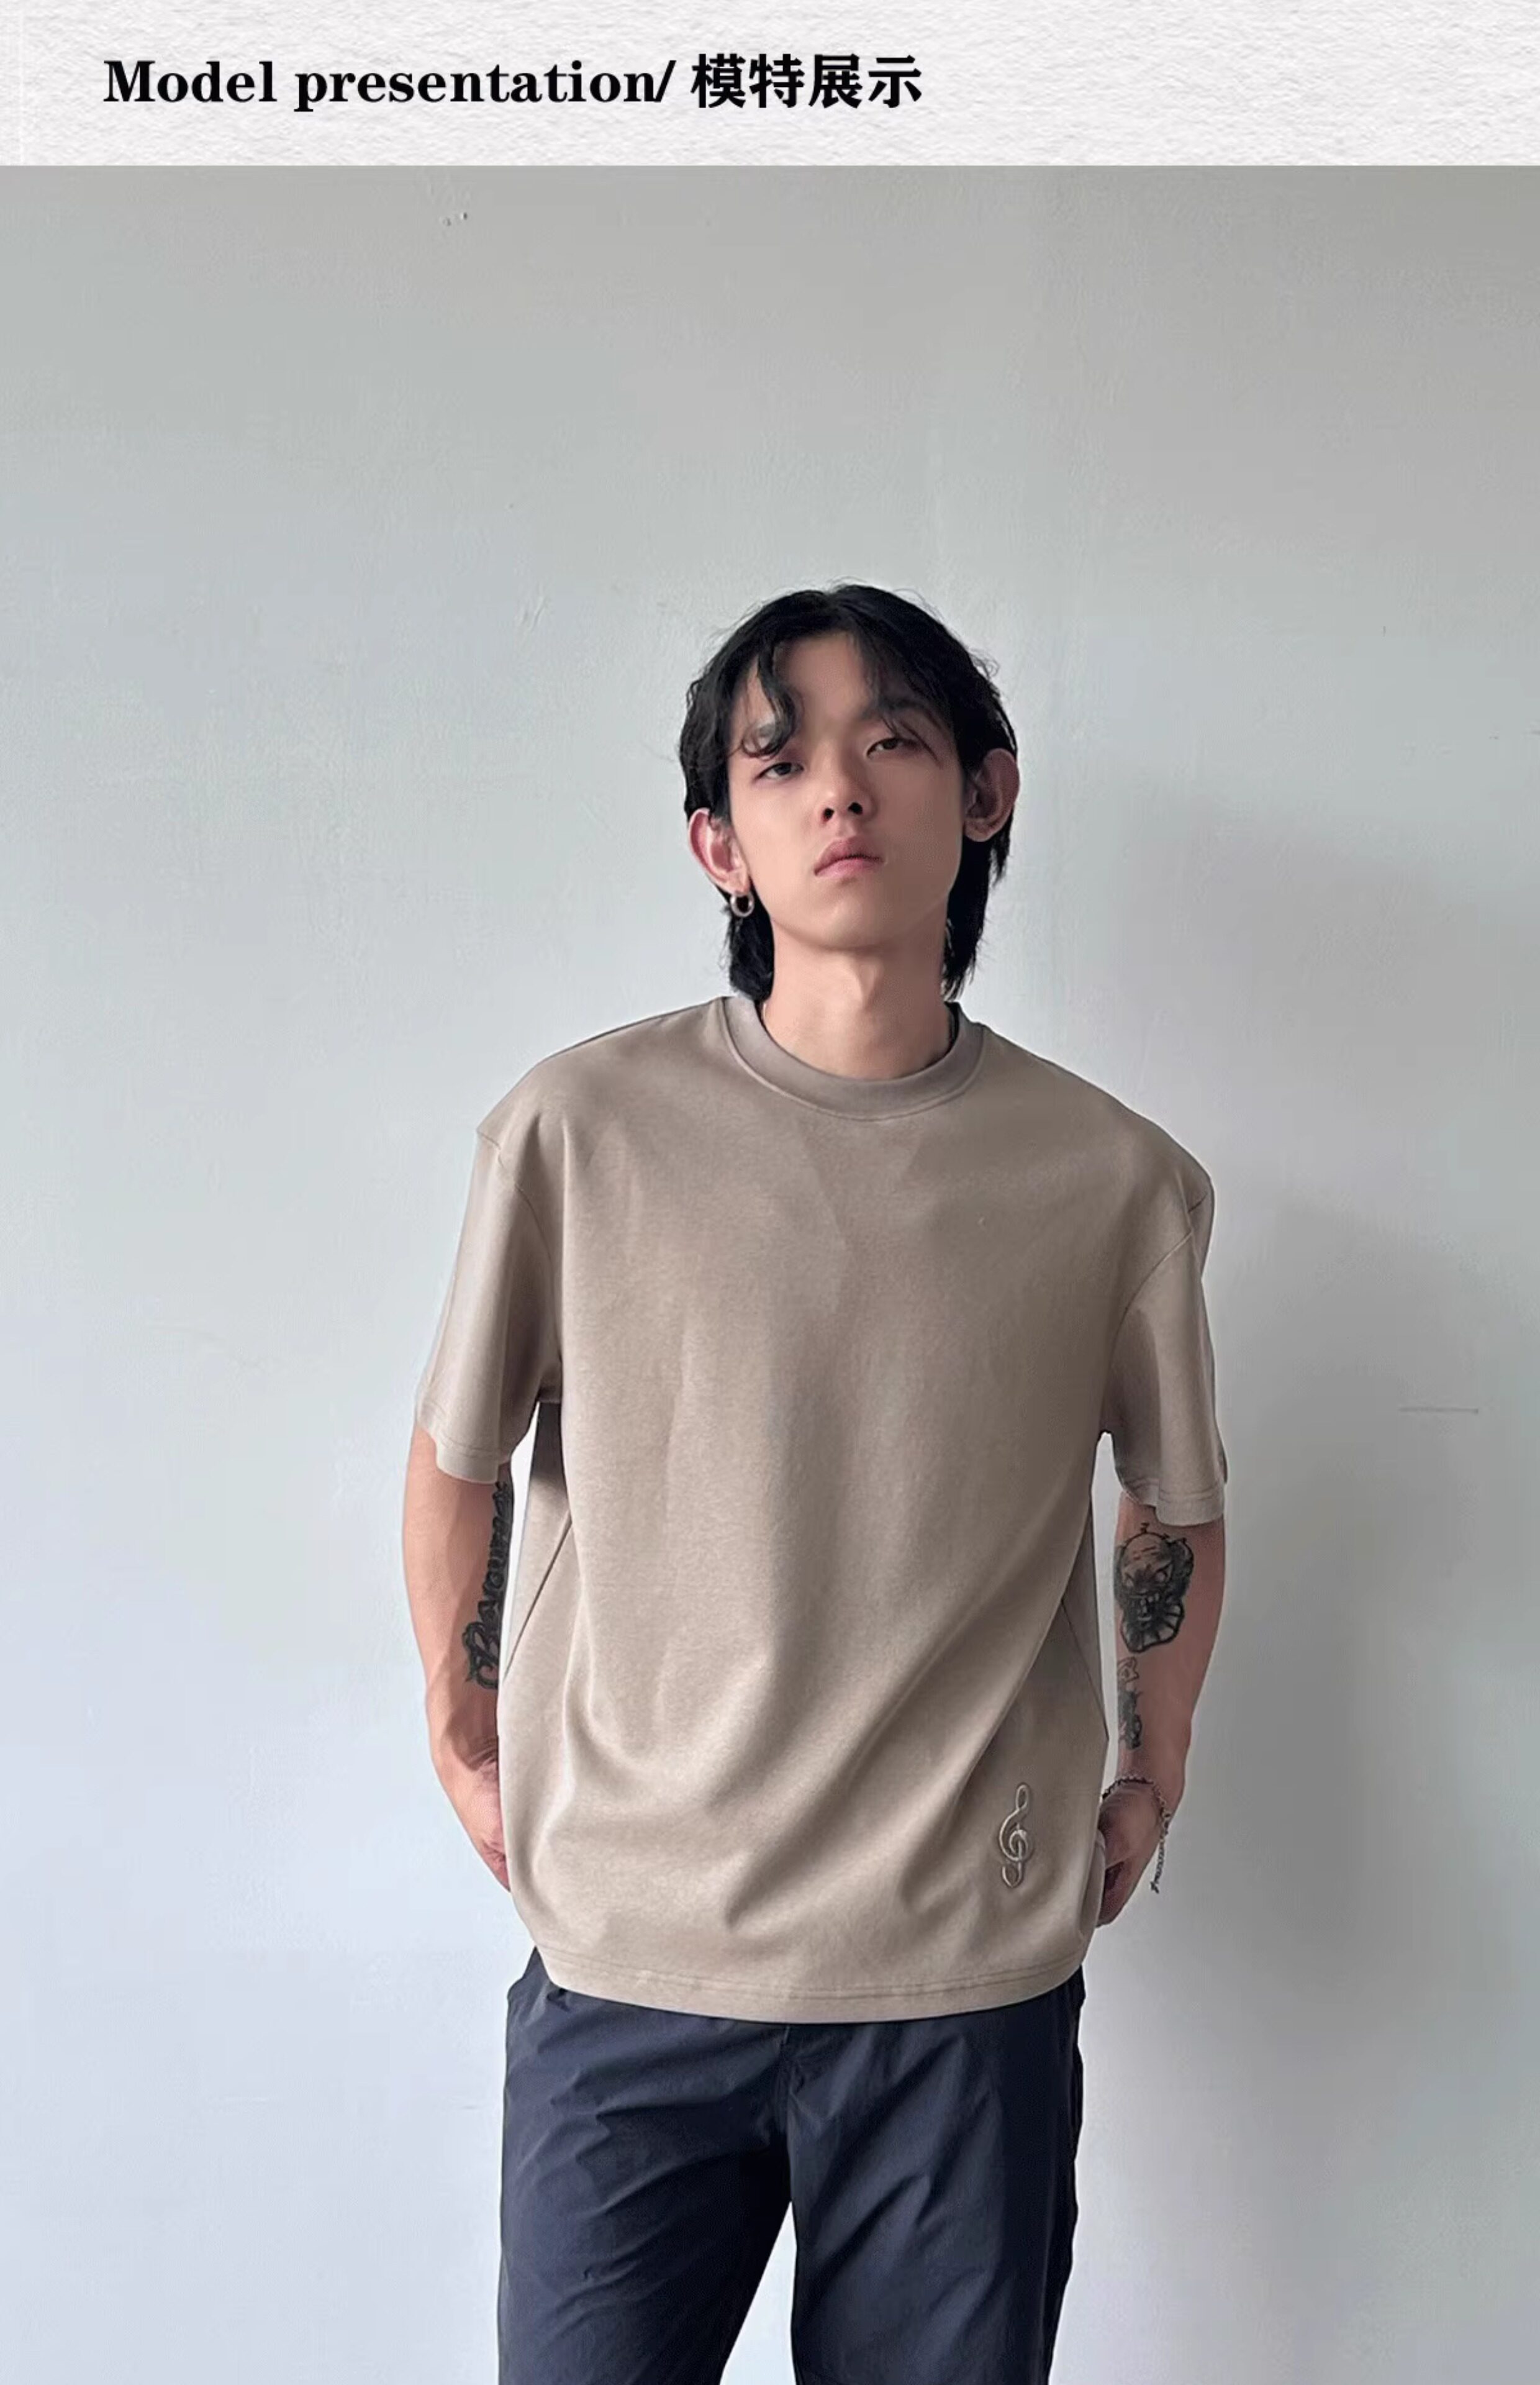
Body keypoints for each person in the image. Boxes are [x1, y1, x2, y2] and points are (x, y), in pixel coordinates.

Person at [400, 582, 1228, 2385]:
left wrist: (1151, 1773)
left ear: (985, 793)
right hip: (633, 1969)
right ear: (721, 841)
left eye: (893, 741)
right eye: (779, 762)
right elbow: (459, 1457)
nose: (839, 789)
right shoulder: (576, 1134)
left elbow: (1171, 1502)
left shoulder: (1113, 1182)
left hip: (961, 1987)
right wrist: (464, 1742)